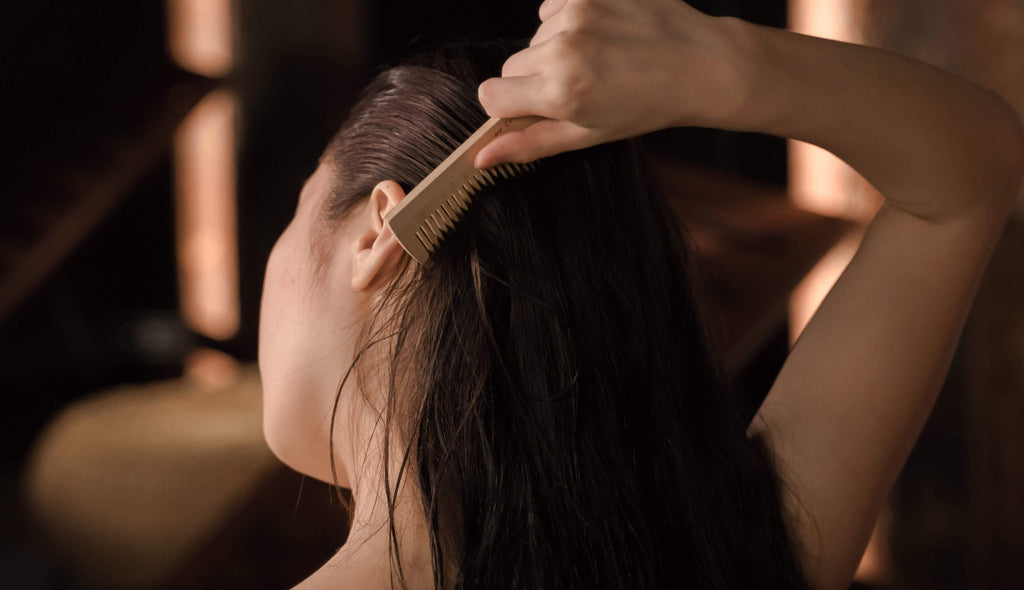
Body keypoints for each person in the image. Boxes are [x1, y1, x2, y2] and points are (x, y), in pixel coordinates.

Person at [256, 0, 1024, 588]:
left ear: (377, 231)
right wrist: (722, 64)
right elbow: (967, 176)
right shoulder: (742, 553)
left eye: (294, 207)